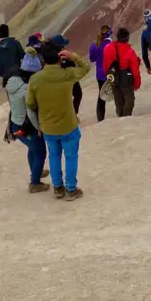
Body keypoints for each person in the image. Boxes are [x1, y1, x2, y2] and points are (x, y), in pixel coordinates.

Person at [26, 45, 92, 200]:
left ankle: (57, 188)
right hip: (68, 125)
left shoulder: (35, 79)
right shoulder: (67, 74)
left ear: (43, 61)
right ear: (59, 59)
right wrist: (72, 56)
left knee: (54, 156)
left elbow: (30, 103)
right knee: (71, 157)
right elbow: (86, 67)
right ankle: (71, 189)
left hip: (48, 127)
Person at [5, 69, 47, 192]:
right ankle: (35, 183)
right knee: (40, 153)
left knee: (32, 149)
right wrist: (39, 128)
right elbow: (30, 112)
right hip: (27, 128)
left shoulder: (11, 85)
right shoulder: (26, 90)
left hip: (15, 127)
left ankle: (35, 171)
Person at [102, 28, 142, 117]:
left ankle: (120, 116)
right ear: (127, 38)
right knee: (129, 99)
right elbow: (135, 71)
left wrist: (109, 77)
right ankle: (126, 116)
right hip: (126, 79)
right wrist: (137, 84)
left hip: (114, 78)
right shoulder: (130, 51)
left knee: (118, 99)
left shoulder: (108, 48)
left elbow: (106, 66)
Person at [88, 27, 113, 122]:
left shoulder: (94, 45)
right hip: (110, 72)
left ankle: (100, 118)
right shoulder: (110, 45)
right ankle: (122, 112)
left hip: (99, 74)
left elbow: (92, 59)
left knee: (101, 95)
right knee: (118, 92)